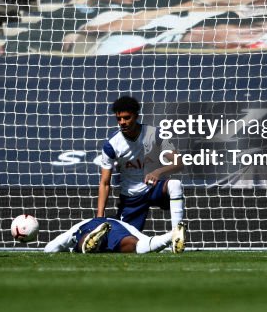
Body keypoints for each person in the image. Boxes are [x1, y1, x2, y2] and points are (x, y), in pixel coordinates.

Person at [96, 96, 184, 232]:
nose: (122, 122)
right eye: (119, 119)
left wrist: (157, 172)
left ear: (136, 116)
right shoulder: (112, 145)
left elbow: (179, 163)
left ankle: (178, 233)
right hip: (132, 197)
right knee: (128, 242)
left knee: (175, 185)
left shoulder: (155, 134)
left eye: (126, 118)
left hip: (154, 188)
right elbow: (105, 183)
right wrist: (99, 216)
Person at [44, 217, 185, 254]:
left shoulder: (77, 226)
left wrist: (69, 249)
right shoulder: (125, 226)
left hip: (91, 225)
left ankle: (87, 243)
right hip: (117, 225)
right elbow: (142, 238)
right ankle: (171, 235)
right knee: (138, 245)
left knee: (78, 240)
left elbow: (50, 248)